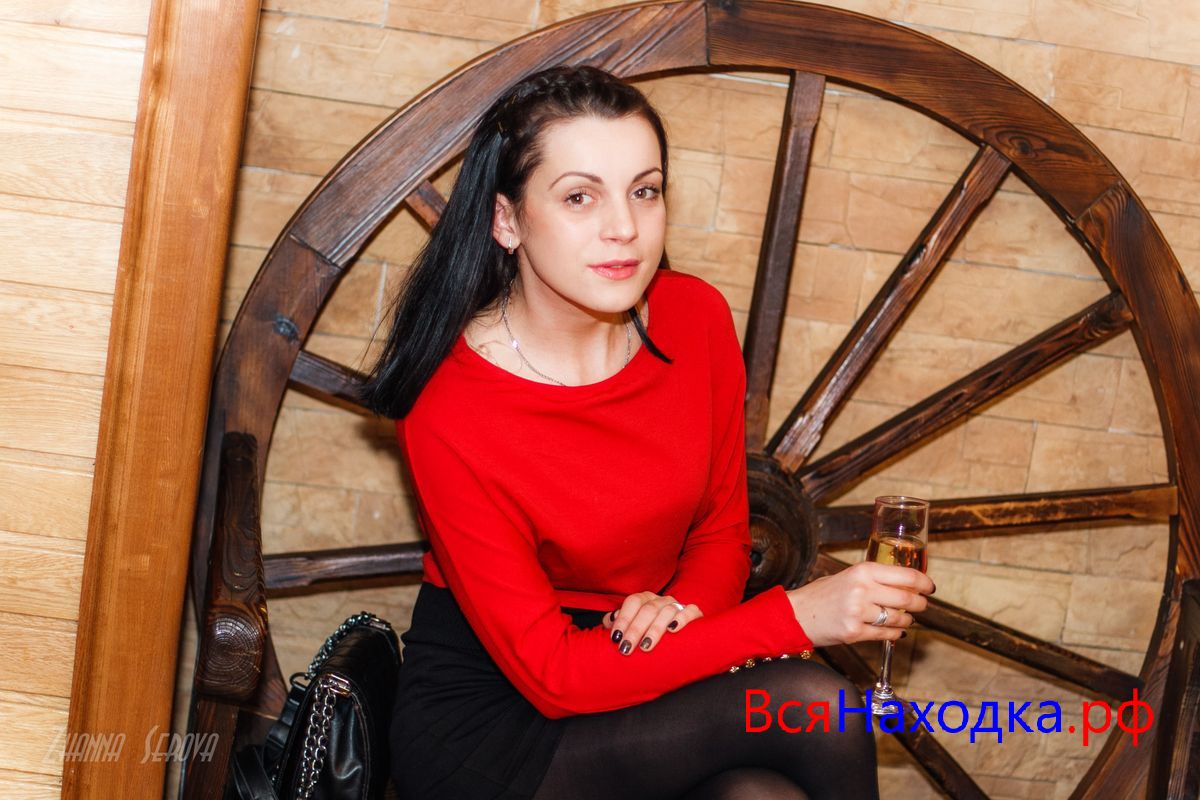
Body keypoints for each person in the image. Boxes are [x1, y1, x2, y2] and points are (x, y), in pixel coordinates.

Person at [359, 65, 934, 800]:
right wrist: (795, 617)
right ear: (506, 220)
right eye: (579, 197)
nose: (625, 228)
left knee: (761, 798)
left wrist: (685, 613)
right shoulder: (450, 405)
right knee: (815, 706)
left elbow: (720, 534)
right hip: (498, 722)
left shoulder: (695, 319)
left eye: (645, 190)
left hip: (647, 658)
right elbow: (556, 676)